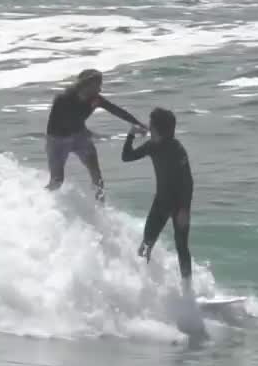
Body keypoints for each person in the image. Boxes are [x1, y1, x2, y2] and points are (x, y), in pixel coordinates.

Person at [45, 68, 147, 201]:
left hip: (80, 137)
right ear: (87, 85)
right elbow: (62, 122)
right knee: (57, 181)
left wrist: (137, 123)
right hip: (58, 140)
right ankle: (38, 201)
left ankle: (101, 210)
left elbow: (115, 110)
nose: (100, 90)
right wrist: (89, 133)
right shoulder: (63, 98)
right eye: (97, 85)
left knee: (97, 177)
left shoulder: (95, 99)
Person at [123, 107, 195, 289]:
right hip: (161, 203)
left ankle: (188, 290)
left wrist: (185, 210)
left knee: (181, 247)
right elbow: (127, 157)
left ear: (158, 129)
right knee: (147, 244)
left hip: (180, 205)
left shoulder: (177, 149)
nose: (149, 127)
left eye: (151, 125)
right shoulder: (152, 146)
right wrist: (131, 135)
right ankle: (140, 285)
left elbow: (188, 181)